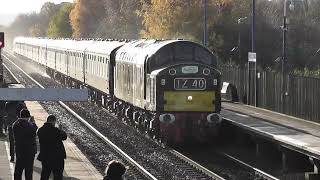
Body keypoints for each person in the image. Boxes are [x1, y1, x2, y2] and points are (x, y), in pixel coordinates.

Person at [37, 115, 67, 180]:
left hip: (45, 157)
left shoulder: (40, 131)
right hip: (57, 158)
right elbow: (64, 136)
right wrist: (61, 130)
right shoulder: (56, 131)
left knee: (45, 175)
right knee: (58, 176)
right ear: (53, 121)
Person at [12, 109, 38, 180]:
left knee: (18, 171)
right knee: (28, 172)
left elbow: (13, 125)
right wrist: (33, 122)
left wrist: (18, 119)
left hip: (19, 151)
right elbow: (35, 129)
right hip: (30, 152)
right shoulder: (31, 126)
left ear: (20, 116)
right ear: (28, 116)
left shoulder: (15, 126)